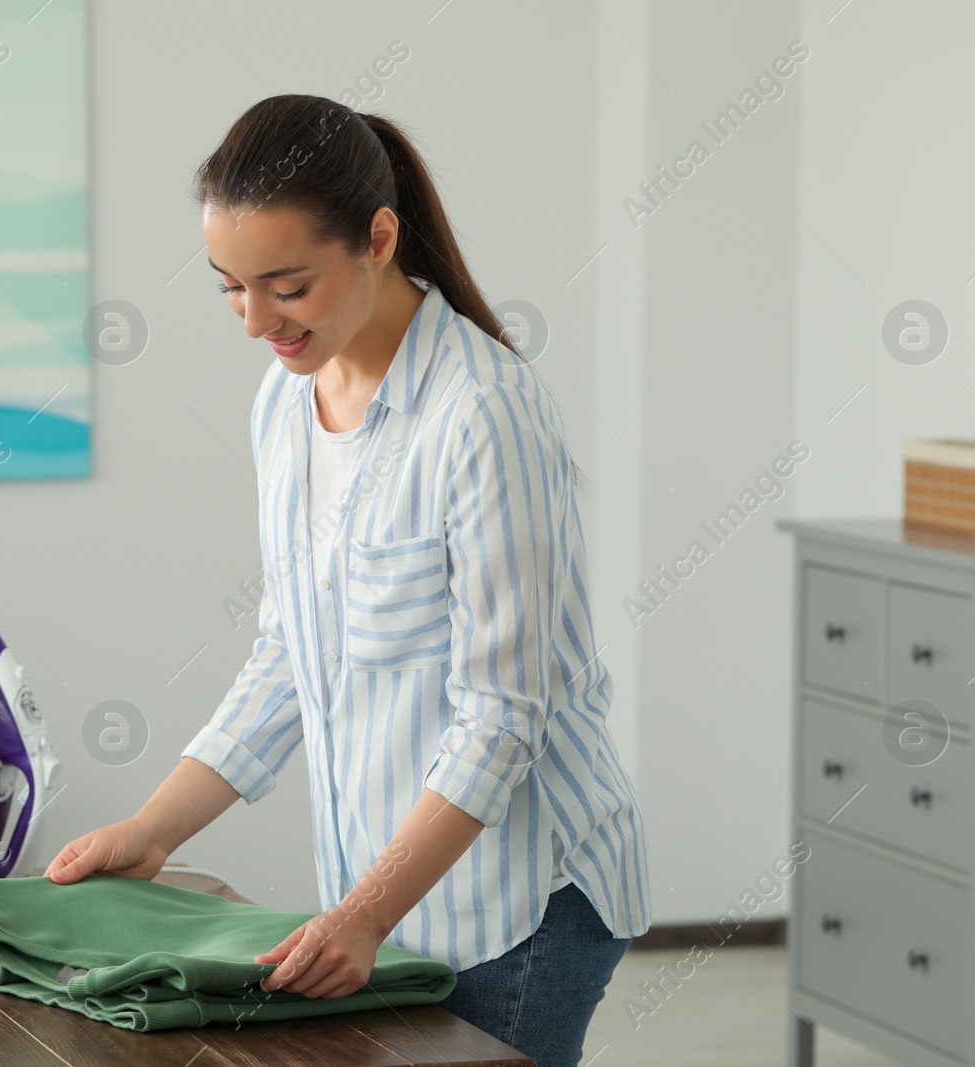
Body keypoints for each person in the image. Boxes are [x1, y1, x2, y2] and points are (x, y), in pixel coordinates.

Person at [45, 94, 650, 1067]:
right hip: (385, 894)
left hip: (520, 897)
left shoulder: (481, 414)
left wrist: (364, 912)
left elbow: (502, 714)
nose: (254, 322)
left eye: (285, 286)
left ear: (378, 238)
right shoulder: (285, 405)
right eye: (228, 287)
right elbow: (288, 653)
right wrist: (152, 828)